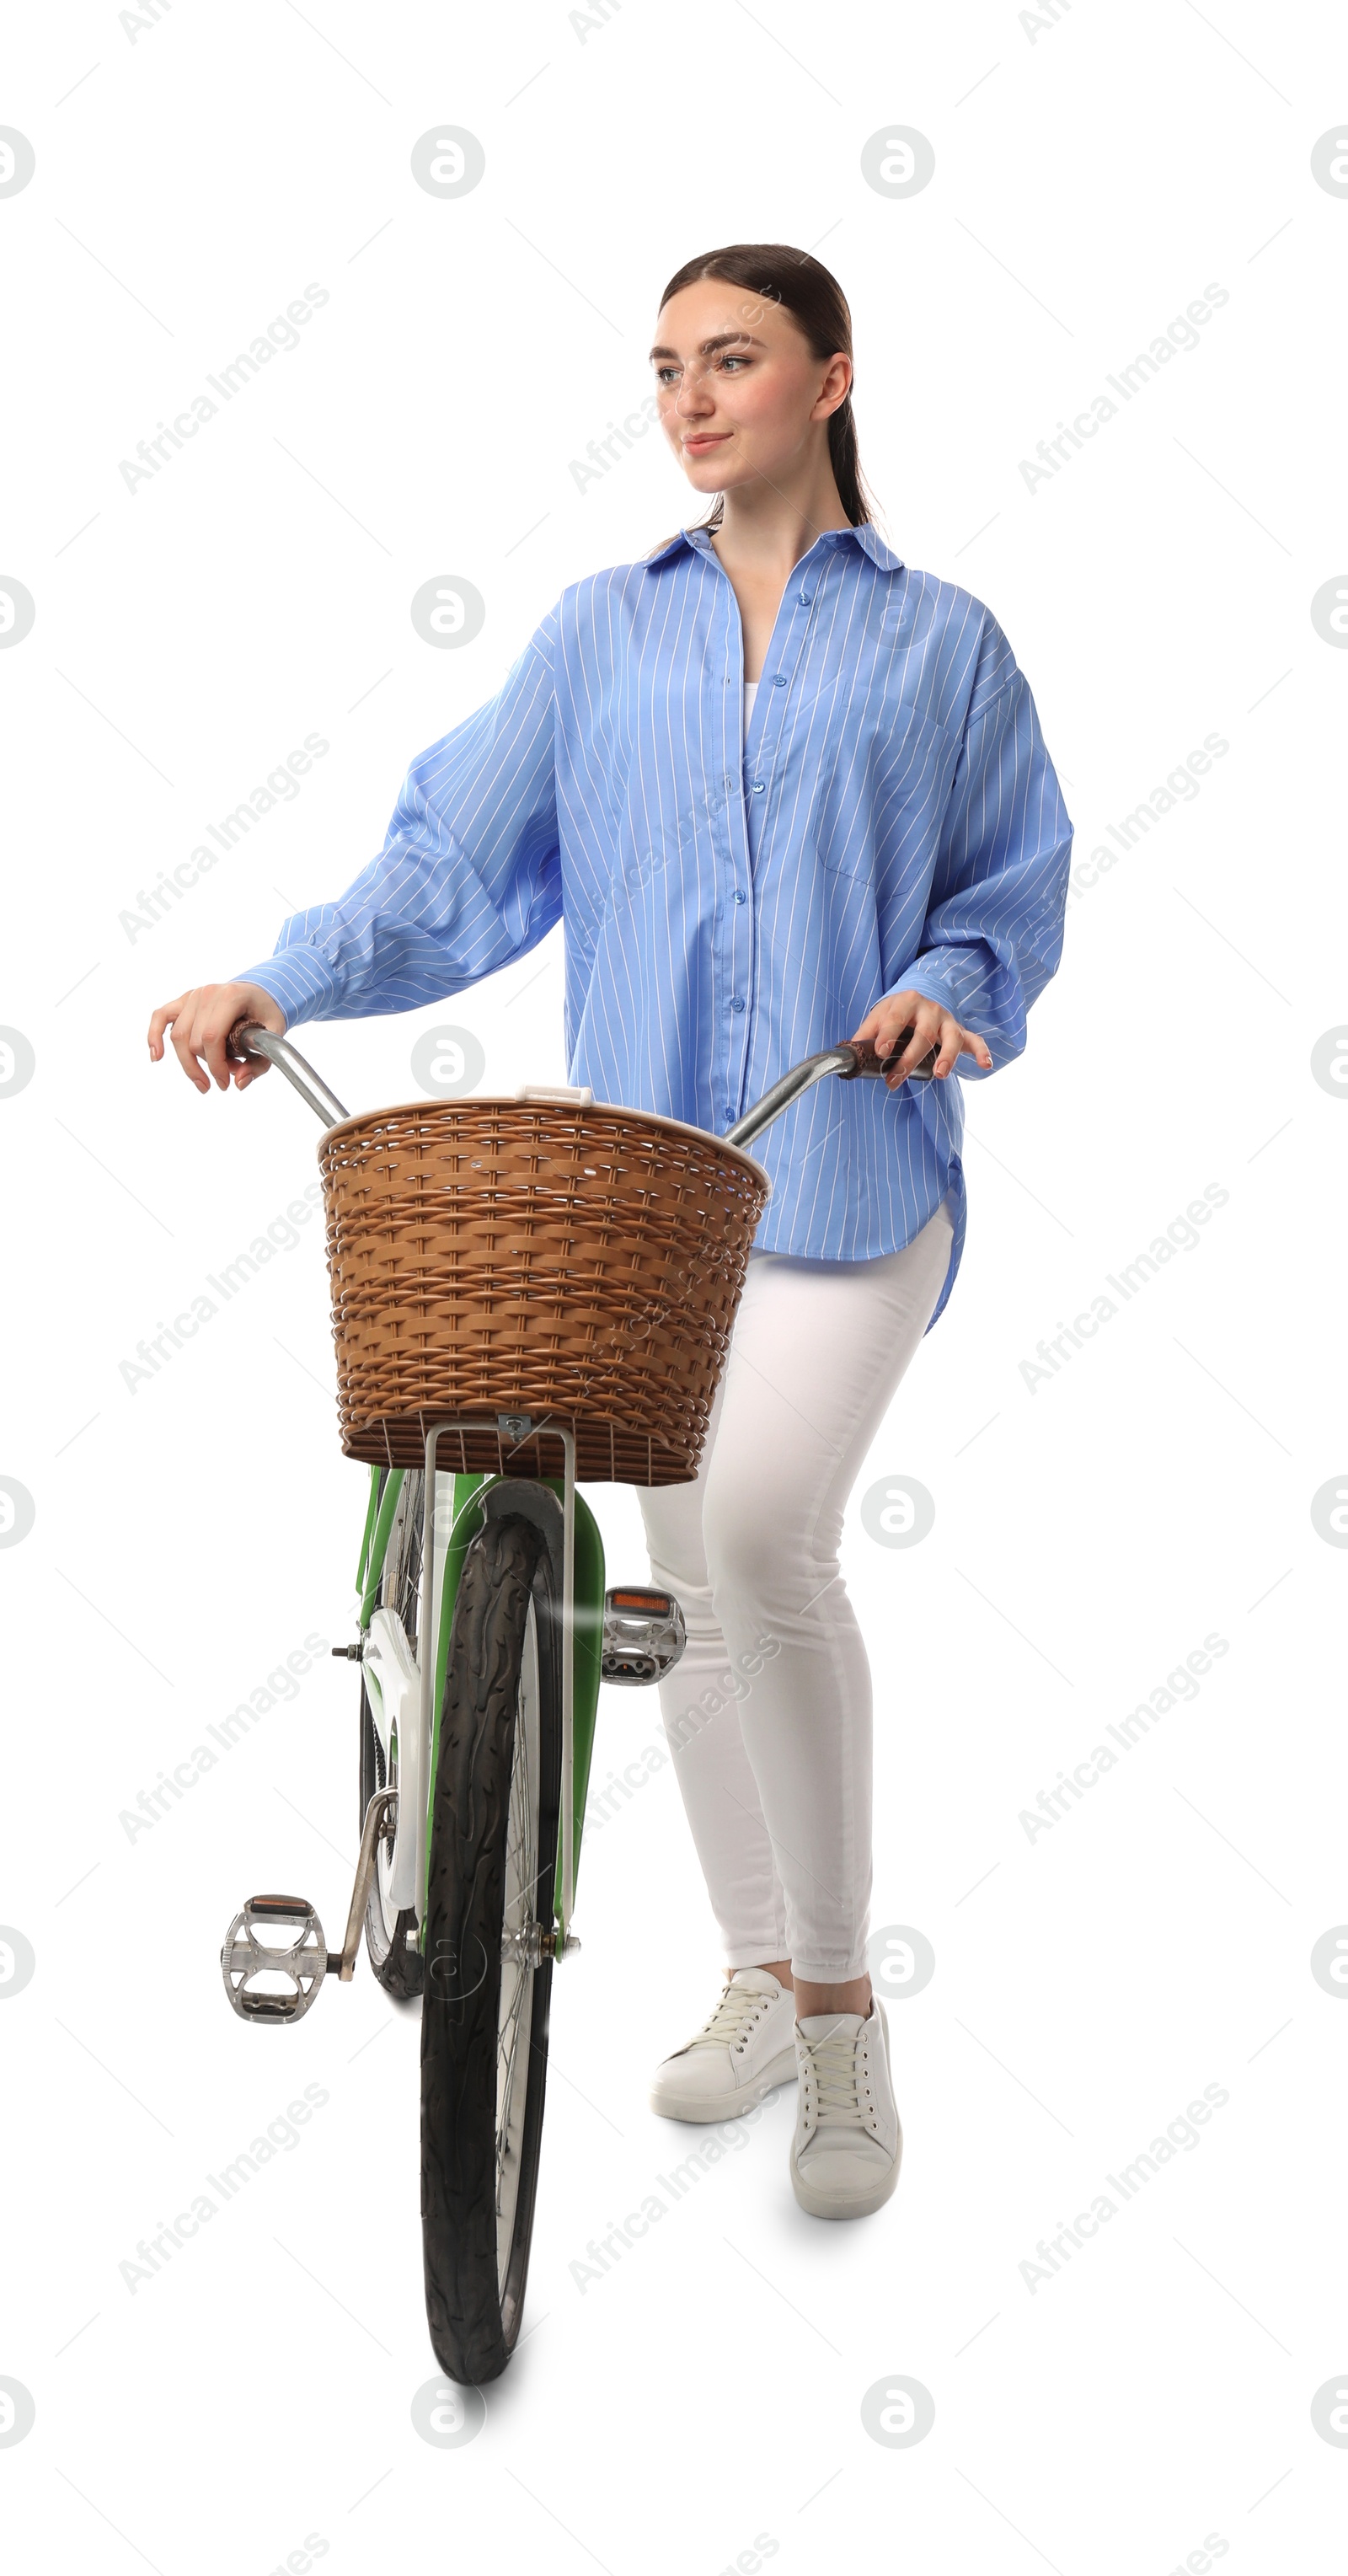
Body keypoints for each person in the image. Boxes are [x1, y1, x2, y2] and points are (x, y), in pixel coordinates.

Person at [149, 242, 1072, 2223]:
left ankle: (839, 2015)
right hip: (647, 1202)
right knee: (692, 1591)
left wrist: (946, 982)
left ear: (829, 381)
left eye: (729, 360)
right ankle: (751, 1968)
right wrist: (281, 979)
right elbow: (448, 863)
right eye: (662, 367)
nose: (687, 399)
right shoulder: (595, 636)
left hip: (840, 1175)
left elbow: (1009, 886)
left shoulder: (944, 648)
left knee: (754, 1534)